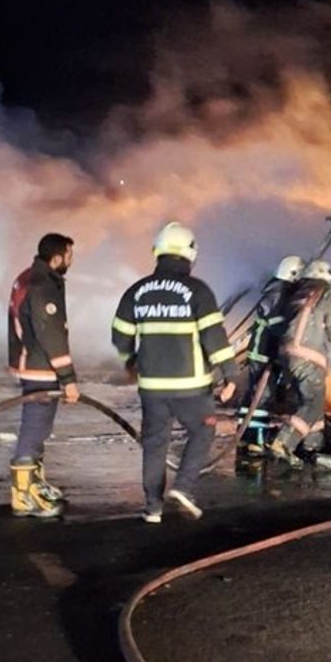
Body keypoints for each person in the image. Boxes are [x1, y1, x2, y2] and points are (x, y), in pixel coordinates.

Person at [112, 222, 237, 523]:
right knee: (203, 430)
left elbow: (120, 334)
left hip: (152, 386)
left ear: (157, 253)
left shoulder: (137, 291)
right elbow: (214, 337)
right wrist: (231, 375)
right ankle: (183, 487)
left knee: (155, 443)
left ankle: (153, 507)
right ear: (190, 255)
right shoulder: (197, 290)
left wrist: (130, 361)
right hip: (191, 386)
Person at [7, 232, 79, 518]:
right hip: (40, 367)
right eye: (70, 256)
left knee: (39, 429)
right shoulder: (43, 285)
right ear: (58, 257)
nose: (71, 262)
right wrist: (68, 378)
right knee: (34, 429)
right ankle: (22, 496)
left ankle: (35, 485)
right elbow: (51, 335)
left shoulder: (29, 277)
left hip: (34, 363)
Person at [268, 259, 331, 469]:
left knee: (310, 401)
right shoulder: (329, 294)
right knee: (312, 403)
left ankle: (312, 446)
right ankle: (283, 443)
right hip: (308, 356)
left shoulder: (296, 293)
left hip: (287, 355)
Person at [236, 255, 304, 463]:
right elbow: (276, 323)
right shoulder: (278, 293)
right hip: (264, 351)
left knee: (256, 394)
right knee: (262, 395)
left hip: (263, 350)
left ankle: (248, 436)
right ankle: (253, 439)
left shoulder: (274, 289)